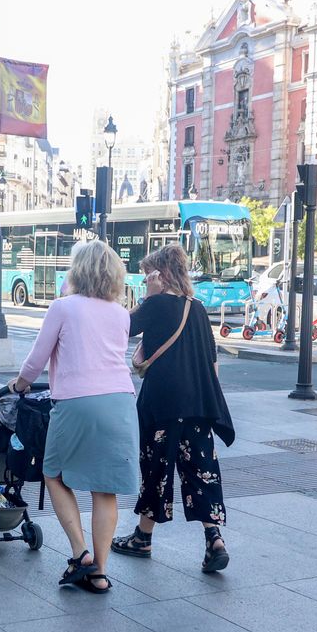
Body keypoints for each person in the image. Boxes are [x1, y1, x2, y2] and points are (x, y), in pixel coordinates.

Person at [8, 240, 138, 594]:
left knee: (53, 473)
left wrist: (19, 384)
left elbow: (36, 360)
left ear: (77, 271)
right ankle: (99, 573)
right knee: (105, 489)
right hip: (121, 402)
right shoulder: (121, 313)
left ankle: (81, 554)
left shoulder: (63, 307)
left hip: (77, 402)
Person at [111, 244, 235, 574]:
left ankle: (143, 538)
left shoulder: (155, 304)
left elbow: (121, 327)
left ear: (160, 274)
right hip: (198, 406)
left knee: (156, 470)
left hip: (163, 404)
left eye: (147, 274)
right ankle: (214, 539)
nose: (144, 280)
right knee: (201, 472)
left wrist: (148, 297)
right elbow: (212, 361)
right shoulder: (198, 308)